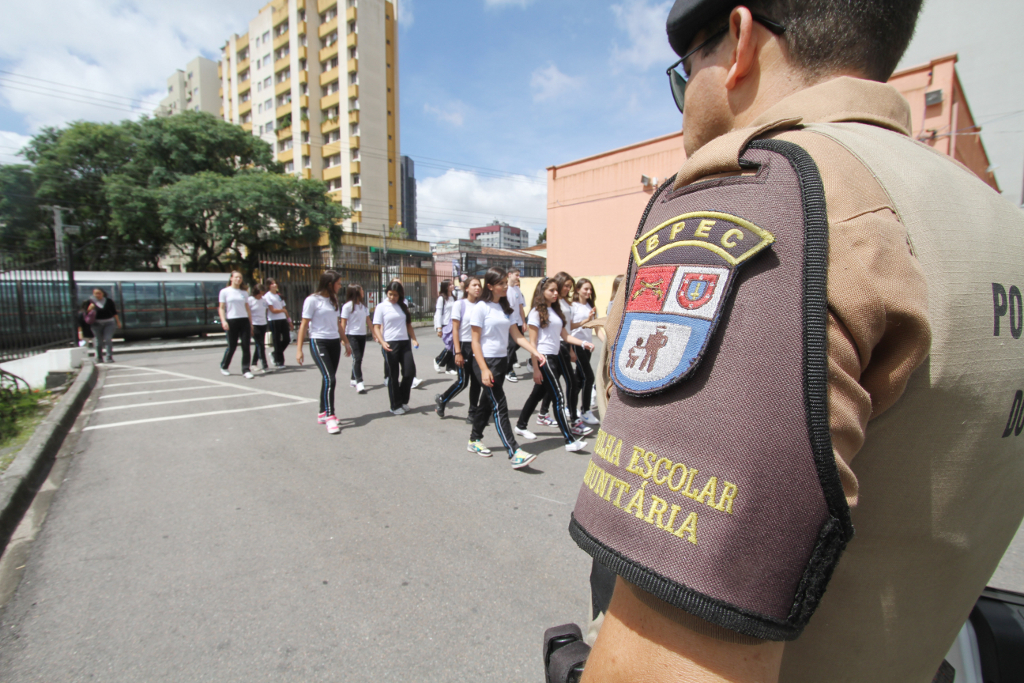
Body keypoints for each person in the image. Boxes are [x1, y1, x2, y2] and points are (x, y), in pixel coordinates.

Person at [567, 2, 1024, 682]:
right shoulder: (996, 222)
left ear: (741, 42)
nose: (682, 100)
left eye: (684, 74)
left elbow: (665, 666)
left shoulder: (770, 199)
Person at [467, 266, 547, 469]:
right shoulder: (480, 308)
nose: (505, 286)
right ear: (491, 286)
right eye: (501, 283)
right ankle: (514, 451)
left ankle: (474, 439)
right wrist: (484, 369)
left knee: (487, 402)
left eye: (505, 282)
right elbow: (475, 342)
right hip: (484, 361)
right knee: (499, 404)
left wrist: (535, 352)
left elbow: (518, 336)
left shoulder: (505, 309)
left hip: (501, 361)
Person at [513, 277, 592, 452]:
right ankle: (570, 440)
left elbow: (565, 336)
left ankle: (521, 424)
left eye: (557, 290)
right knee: (558, 397)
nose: (556, 293)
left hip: (555, 357)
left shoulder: (555, 311)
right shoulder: (535, 313)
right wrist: (535, 369)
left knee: (538, 394)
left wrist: (583, 343)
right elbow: (532, 344)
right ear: (542, 292)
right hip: (544, 358)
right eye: (552, 290)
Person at [296, 271, 351, 434]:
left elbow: (337, 323)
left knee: (328, 379)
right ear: (329, 283)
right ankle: (330, 416)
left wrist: (345, 341)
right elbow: (304, 325)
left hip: (334, 342)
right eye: (338, 283)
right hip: (318, 342)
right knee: (330, 378)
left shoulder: (334, 300)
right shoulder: (312, 300)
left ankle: (322, 412)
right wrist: (299, 349)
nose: (340, 286)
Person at [539, 272, 590, 437]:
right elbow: (558, 329)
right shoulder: (555, 302)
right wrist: (569, 349)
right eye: (566, 285)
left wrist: (585, 322)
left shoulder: (564, 302)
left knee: (547, 385)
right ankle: (574, 420)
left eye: (570, 286)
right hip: (560, 345)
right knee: (572, 382)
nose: (568, 289)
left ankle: (541, 414)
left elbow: (568, 326)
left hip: (566, 342)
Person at [434, 276, 483, 420]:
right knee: (462, 382)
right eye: (474, 285)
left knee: (476, 382)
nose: (477, 288)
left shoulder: (482, 305)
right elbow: (455, 330)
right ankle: (442, 399)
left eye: (479, 285)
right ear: (467, 288)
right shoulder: (460, 304)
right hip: (463, 345)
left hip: (477, 346)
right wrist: (458, 352)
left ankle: (472, 413)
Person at [373, 280, 419, 415]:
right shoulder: (381, 307)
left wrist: (414, 339)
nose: (392, 298)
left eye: (395, 295)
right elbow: (376, 327)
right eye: (390, 294)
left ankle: (403, 400)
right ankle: (395, 405)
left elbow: (408, 324)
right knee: (393, 375)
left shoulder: (403, 306)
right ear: (387, 293)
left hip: (405, 342)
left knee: (409, 372)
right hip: (390, 343)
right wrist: (382, 342)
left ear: (400, 295)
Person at [569, 278, 599, 425]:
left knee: (579, 380)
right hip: (577, 345)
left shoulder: (591, 306)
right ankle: (585, 410)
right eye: (585, 289)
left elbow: (597, 327)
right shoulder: (572, 307)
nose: (588, 292)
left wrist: (607, 341)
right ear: (578, 290)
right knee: (589, 377)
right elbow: (567, 328)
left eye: (590, 289)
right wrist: (570, 350)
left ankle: (570, 406)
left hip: (588, 346)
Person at [218, 271, 253, 379]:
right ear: (231, 278)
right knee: (232, 346)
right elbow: (222, 307)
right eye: (236, 277)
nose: (238, 279)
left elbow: (247, 308)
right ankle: (224, 366)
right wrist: (223, 321)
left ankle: (246, 369)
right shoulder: (225, 292)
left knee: (246, 346)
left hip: (244, 320)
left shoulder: (244, 292)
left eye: (240, 277)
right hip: (231, 320)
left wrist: (250, 323)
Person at [340, 283, 371, 394]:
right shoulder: (347, 306)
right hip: (351, 335)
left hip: (362, 335)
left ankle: (353, 379)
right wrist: (343, 339)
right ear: (356, 292)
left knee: (359, 358)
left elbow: (369, 321)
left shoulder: (364, 307)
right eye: (362, 290)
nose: (363, 292)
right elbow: (343, 323)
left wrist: (375, 334)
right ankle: (359, 382)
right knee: (357, 358)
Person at [264, 278, 292, 369]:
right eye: (272, 284)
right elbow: (272, 310)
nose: (274, 285)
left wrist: (289, 321)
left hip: (282, 319)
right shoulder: (267, 296)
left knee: (287, 339)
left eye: (275, 283)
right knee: (277, 341)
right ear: (269, 285)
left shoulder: (279, 296)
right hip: (274, 320)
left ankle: (275, 353)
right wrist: (282, 310)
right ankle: (279, 361)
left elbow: (285, 309)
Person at [505, 268, 527, 383]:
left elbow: (520, 307)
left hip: (518, 322)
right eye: (516, 275)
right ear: (510, 275)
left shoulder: (517, 289)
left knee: (517, 344)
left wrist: (523, 321)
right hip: (508, 322)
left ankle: (509, 359)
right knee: (512, 345)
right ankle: (508, 370)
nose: (518, 277)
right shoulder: (505, 289)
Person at [87, 288, 121, 364]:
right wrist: (89, 308)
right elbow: (85, 313)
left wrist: (118, 322)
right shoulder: (90, 302)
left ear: (103, 293)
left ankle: (109, 357)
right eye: (96, 293)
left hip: (109, 323)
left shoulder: (109, 301)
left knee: (108, 339)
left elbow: (114, 312)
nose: (98, 295)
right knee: (98, 342)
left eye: (99, 293)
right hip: (96, 324)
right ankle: (99, 358)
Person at [432, 281, 456, 374]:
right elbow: (438, 314)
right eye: (450, 285)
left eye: (452, 284)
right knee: (450, 345)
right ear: (445, 287)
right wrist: (439, 328)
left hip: (453, 323)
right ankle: (438, 360)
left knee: (454, 345)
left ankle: (450, 368)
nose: (452, 286)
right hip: (445, 324)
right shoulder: (441, 299)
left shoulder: (453, 297)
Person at [248, 284, 270, 374]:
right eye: (259, 294)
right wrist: (250, 325)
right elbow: (247, 313)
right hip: (254, 324)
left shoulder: (264, 300)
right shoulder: (250, 300)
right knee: (260, 344)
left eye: (262, 294)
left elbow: (266, 310)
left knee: (259, 345)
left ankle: (253, 363)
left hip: (263, 324)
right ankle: (265, 365)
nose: (260, 296)